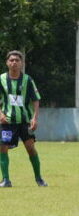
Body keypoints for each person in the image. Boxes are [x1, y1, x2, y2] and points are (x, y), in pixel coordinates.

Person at [0, 50, 47, 187]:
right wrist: (1, 114)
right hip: (7, 122)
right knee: (3, 147)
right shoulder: (1, 79)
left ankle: (39, 179)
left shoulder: (28, 80)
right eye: (11, 60)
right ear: (7, 62)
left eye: (17, 60)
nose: (14, 62)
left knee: (30, 148)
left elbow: (36, 100)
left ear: (22, 63)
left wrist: (34, 118)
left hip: (25, 122)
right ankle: (6, 180)